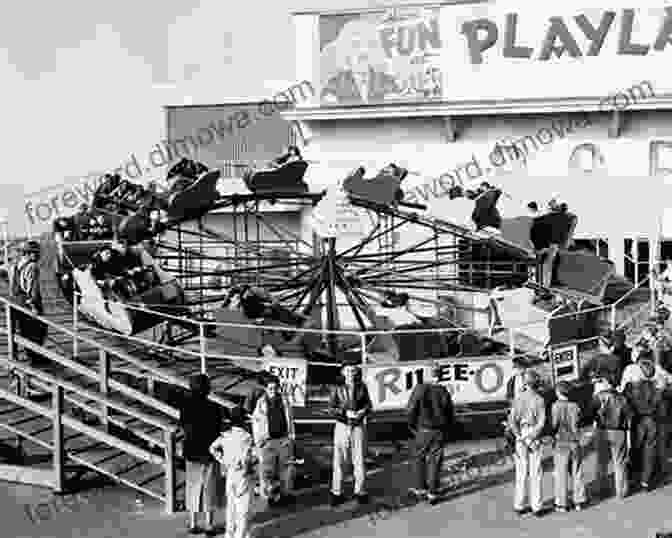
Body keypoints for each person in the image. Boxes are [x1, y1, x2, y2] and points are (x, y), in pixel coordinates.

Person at [179, 374, 225, 535]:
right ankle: (209, 525)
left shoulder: (185, 407)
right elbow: (219, 430)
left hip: (192, 451)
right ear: (207, 389)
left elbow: (183, 426)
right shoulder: (215, 408)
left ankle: (193, 523)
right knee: (210, 489)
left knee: (193, 487)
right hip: (210, 452)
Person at [407, 362, 454, 505]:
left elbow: (410, 410)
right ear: (440, 374)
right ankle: (433, 492)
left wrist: (413, 427)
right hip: (438, 431)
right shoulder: (443, 391)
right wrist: (446, 428)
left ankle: (420, 488)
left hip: (422, 429)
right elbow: (450, 413)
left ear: (427, 373)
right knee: (435, 461)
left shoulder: (420, 389)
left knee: (418, 457)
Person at [328, 364, 373, 507]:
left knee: (359, 459)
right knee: (340, 460)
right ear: (342, 372)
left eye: (353, 370)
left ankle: (360, 491)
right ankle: (336, 492)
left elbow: (368, 405)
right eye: (347, 370)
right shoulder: (336, 387)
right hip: (342, 426)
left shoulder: (362, 386)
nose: (350, 373)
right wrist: (344, 412)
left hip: (358, 426)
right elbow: (330, 408)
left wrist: (362, 412)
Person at [209, 406, 256, 538]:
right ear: (243, 421)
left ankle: (229, 534)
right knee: (243, 509)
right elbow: (249, 457)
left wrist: (223, 460)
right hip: (243, 474)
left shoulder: (226, 435)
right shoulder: (247, 437)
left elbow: (212, 448)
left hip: (230, 472)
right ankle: (240, 535)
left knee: (231, 507)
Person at [250, 375, 295, 507]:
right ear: (266, 388)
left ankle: (285, 495)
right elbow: (256, 422)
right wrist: (259, 441)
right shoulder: (261, 402)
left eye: (275, 388)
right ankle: (270, 496)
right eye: (270, 388)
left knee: (286, 470)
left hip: (283, 439)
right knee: (268, 471)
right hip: (267, 441)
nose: (273, 390)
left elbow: (290, 420)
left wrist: (291, 437)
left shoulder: (285, 401)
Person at [508, 370, 546, 517]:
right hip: (534, 435)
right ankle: (537, 506)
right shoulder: (539, 400)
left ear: (525, 383)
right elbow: (541, 423)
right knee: (536, 472)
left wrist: (519, 436)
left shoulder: (518, 399)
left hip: (521, 434)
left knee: (521, 471)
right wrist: (531, 437)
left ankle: (519, 504)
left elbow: (512, 421)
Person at [623, 352, 661, 491]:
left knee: (635, 449)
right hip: (651, 421)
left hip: (637, 420)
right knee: (649, 451)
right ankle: (646, 480)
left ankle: (633, 478)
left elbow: (625, 402)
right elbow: (657, 403)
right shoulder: (655, 388)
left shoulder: (632, 387)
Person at [590, 375, 633, 498]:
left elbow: (590, 412)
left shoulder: (599, 396)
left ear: (607, 383)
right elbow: (629, 416)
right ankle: (621, 491)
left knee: (601, 461)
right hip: (619, 432)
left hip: (602, 431)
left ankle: (600, 489)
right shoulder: (622, 398)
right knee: (619, 462)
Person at [9, 241, 47, 365]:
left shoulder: (16, 265)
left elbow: (13, 287)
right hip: (29, 303)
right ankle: (36, 358)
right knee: (39, 330)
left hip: (18, 302)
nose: (39, 256)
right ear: (30, 254)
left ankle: (31, 356)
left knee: (25, 331)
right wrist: (34, 306)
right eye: (36, 253)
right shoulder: (32, 267)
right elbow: (33, 289)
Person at [551, 381, 586, 512]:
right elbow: (578, 422)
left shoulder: (555, 407)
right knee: (577, 472)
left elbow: (554, 425)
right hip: (575, 441)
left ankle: (562, 503)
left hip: (561, 443)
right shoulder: (575, 406)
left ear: (558, 392)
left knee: (561, 473)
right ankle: (579, 501)